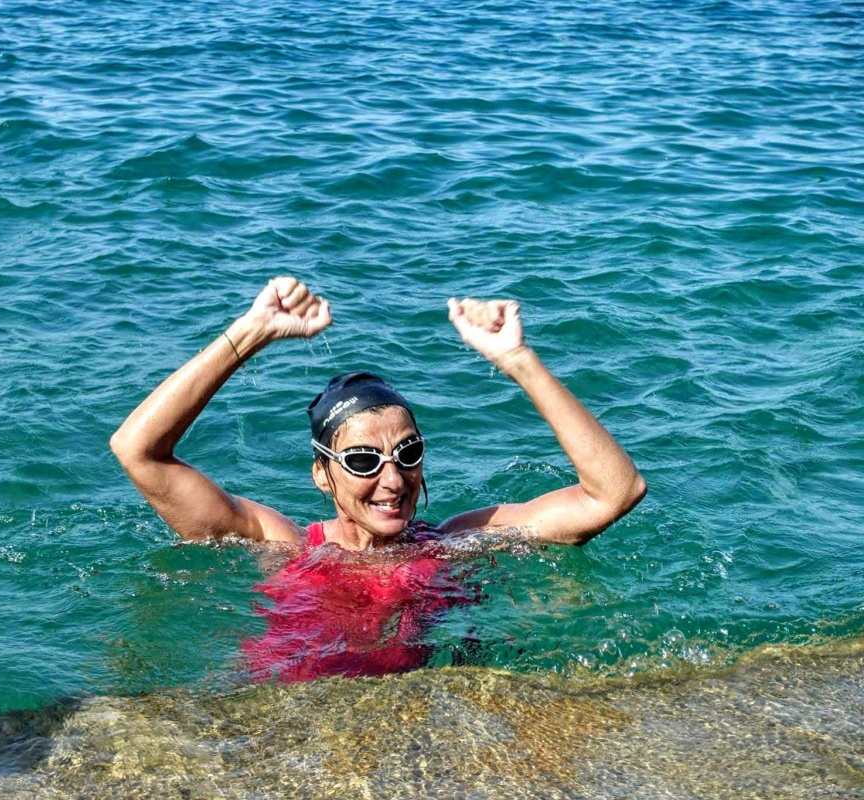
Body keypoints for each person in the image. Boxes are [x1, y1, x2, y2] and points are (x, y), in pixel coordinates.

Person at [110, 276, 646, 680]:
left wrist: (519, 360)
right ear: (323, 475)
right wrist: (248, 335)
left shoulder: (455, 543)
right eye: (364, 461)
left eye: (407, 453)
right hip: (271, 722)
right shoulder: (283, 545)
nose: (393, 480)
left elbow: (614, 492)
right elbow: (138, 452)